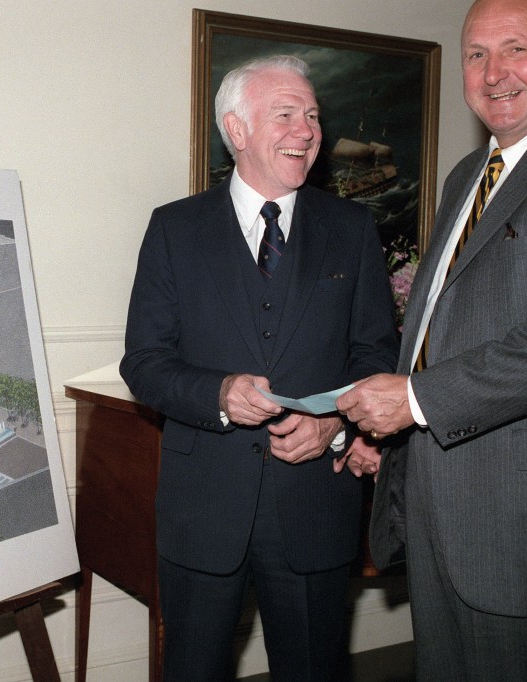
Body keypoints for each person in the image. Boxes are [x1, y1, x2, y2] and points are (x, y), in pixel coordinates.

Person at [335, 1, 527, 679]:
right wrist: (394, 440)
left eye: (516, 49)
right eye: (475, 53)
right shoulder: (467, 176)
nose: (493, 72)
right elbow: (443, 327)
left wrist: (412, 401)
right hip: (443, 511)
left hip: (526, 528)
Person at [120, 55, 398, 681]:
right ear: (237, 129)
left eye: (312, 115)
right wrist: (218, 394)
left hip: (315, 507)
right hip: (202, 511)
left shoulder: (352, 228)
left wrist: (335, 422)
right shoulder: (174, 229)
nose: (306, 130)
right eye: (285, 114)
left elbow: (376, 353)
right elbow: (144, 362)